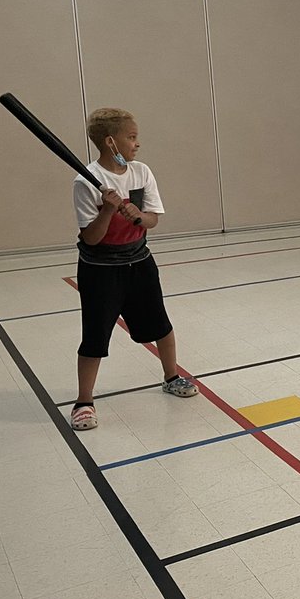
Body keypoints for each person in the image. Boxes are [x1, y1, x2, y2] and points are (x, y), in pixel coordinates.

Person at [69, 108, 197, 431]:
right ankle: (84, 400)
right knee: (95, 336)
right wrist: (108, 211)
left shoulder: (141, 173)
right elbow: (92, 238)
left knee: (161, 325)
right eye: (132, 137)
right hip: (101, 270)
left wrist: (138, 216)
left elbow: (153, 218)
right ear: (111, 142)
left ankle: (170, 376)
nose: (137, 143)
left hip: (139, 263)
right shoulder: (85, 182)